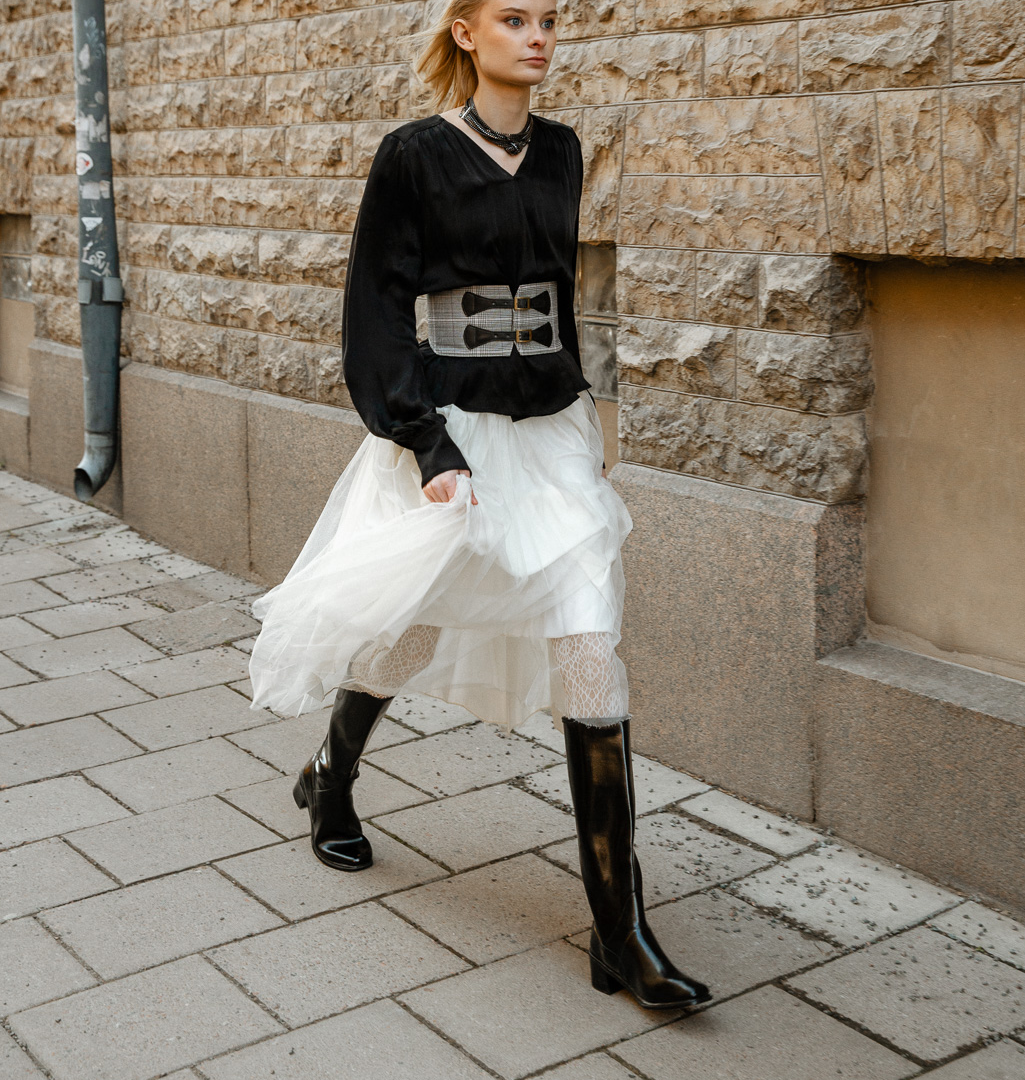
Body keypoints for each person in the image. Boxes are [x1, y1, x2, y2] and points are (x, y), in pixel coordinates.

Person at [247, 0, 711, 1011]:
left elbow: (559, 297)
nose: (538, 34)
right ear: (465, 32)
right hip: (453, 434)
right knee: (409, 628)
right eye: (514, 17)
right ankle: (331, 774)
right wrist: (425, 443)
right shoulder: (412, 155)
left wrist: (586, 434)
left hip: (551, 436)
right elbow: (373, 310)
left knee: (590, 644)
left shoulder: (564, 151)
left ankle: (617, 929)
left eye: (550, 17)